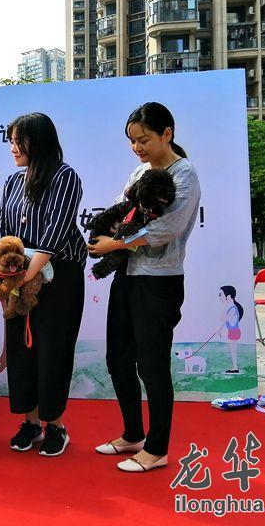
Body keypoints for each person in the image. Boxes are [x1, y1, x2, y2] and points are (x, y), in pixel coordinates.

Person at [88, 101, 201, 473]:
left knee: (152, 366)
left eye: (144, 139)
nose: (137, 147)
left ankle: (157, 449)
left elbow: (165, 230)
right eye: (132, 140)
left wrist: (115, 244)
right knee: (118, 359)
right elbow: (120, 209)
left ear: (167, 134)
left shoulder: (184, 174)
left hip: (159, 281)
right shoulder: (140, 171)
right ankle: (133, 434)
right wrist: (105, 235)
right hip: (127, 275)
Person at [0, 112, 87, 457]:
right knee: (21, 349)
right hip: (17, 273)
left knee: (52, 349)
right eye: (11, 141)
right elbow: (5, 234)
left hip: (57, 276)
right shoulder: (12, 181)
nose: (13, 148)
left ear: (38, 142)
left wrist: (23, 277)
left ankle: (55, 425)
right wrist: (3, 279)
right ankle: (31, 422)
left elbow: (54, 235)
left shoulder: (65, 177)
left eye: (19, 141)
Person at [217, 285, 243, 374]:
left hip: (234, 332)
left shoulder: (232, 309)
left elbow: (223, 319)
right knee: (232, 350)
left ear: (228, 296)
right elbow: (223, 319)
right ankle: (234, 367)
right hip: (232, 331)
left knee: (233, 350)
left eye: (220, 294)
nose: (219, 297)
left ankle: (235, 367)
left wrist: (219, 330)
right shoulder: (230, 307)